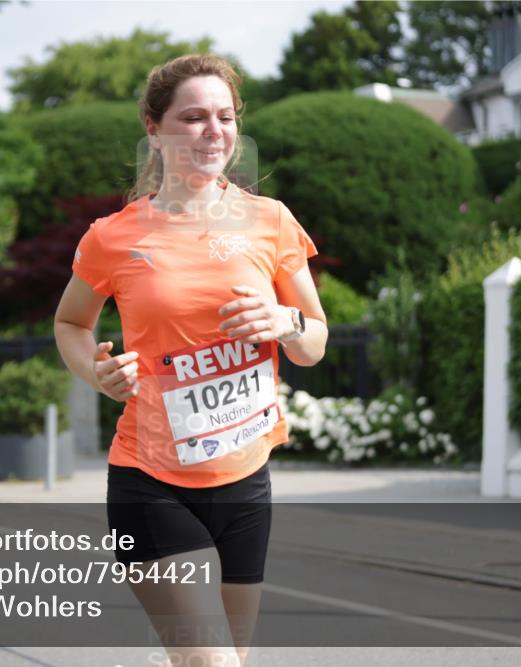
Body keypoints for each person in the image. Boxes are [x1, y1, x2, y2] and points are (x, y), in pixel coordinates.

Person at [53, 54, 327, 667]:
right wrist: (95, 371)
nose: (214, 131)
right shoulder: (113, 237)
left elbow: (314, 343)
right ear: (154, 128)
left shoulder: (271, 222)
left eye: (225, 117)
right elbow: (71, 323)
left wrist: (287, 322)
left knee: (223, 659)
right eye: (194, 117)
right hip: (149, 483)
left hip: (245, 482)